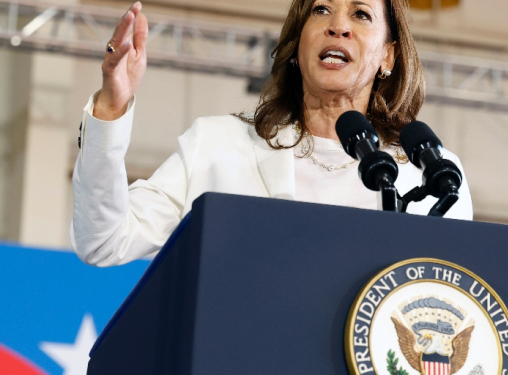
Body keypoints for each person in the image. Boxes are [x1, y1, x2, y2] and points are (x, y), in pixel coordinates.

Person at [72, 0, 473, 267]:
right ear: (299, 44)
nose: (338, 27)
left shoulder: (433, 175)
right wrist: (110, 110)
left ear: (388, 55)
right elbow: (104, 240)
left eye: (361, 15)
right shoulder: (218, 145)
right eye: (321, 10)